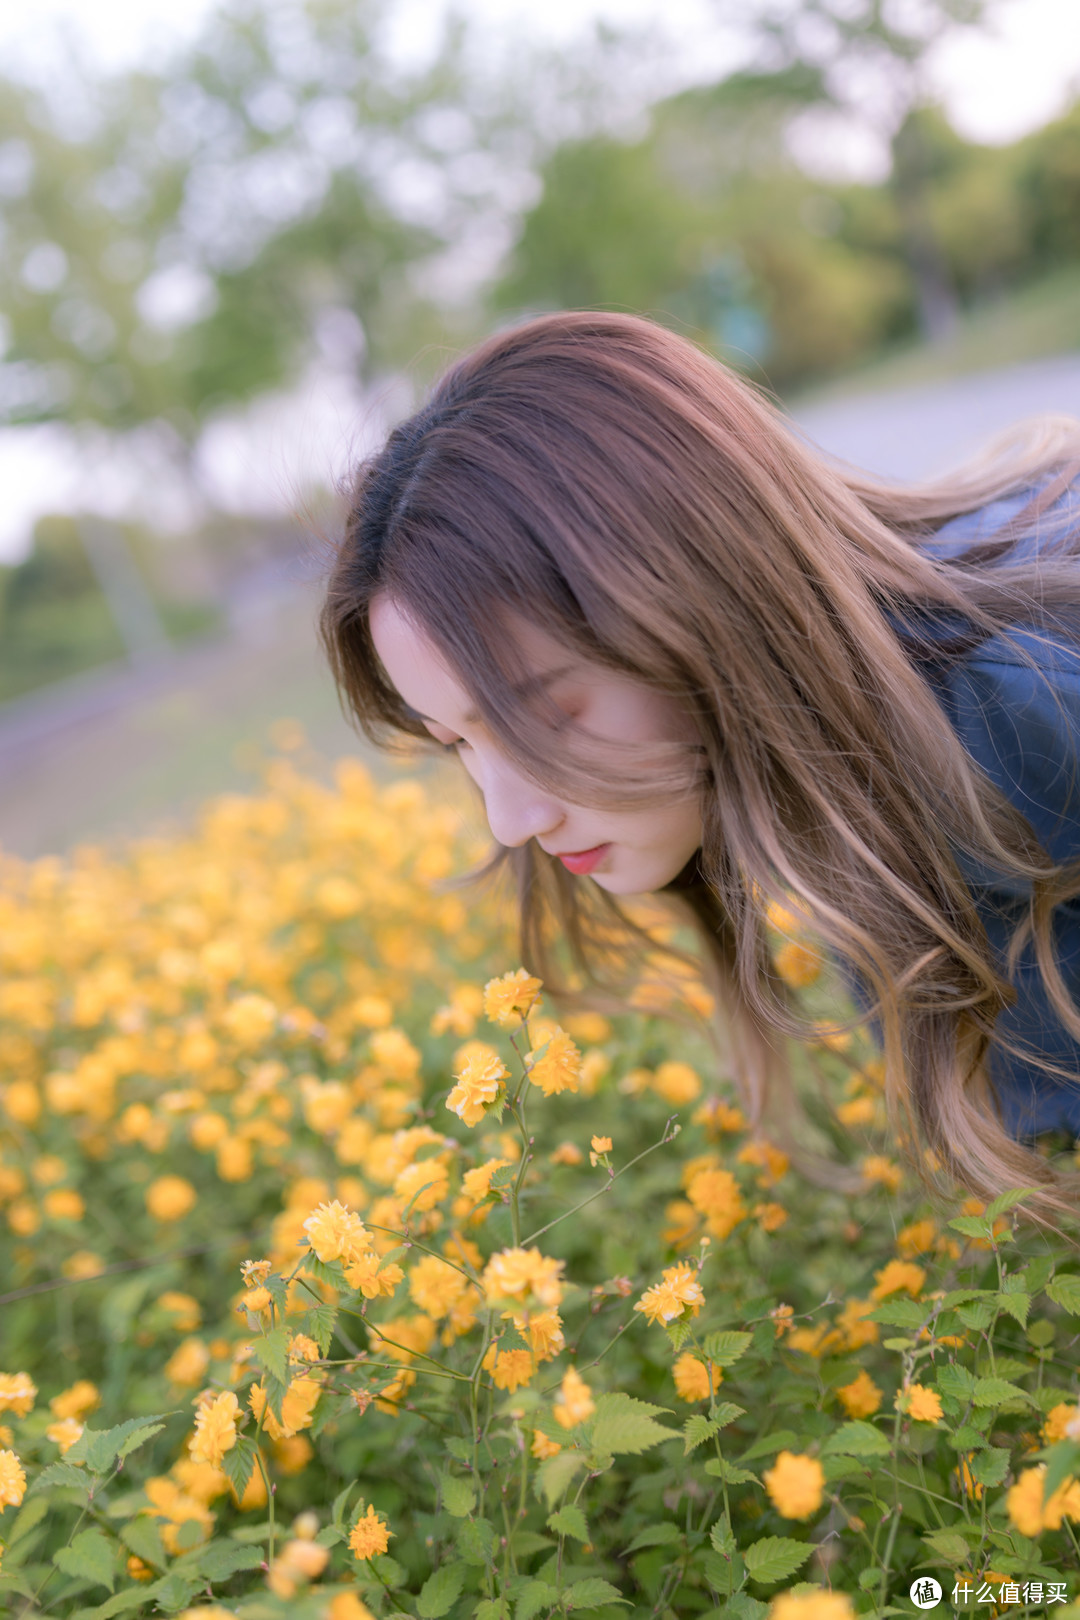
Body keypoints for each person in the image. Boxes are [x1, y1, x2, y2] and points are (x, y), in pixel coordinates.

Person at [320, 309, 1080, 1218]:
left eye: (542, 717)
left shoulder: (1017, 708)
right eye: (459, 744)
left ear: (695, 600)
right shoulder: (814, 783)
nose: (510, 820)